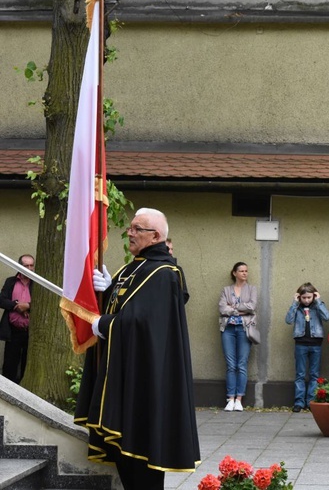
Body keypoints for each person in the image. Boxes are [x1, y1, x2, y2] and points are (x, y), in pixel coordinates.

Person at [75, 208, 198, 490]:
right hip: (122, 372)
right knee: (124, 458)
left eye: (136, 228)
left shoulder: (165, 273)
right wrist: (106, 293)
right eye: (130, 227)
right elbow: (126, 308)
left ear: (155, 236)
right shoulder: (133, 267)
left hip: (144, 377)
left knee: (141, 458)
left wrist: (102, 324)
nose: (129, 233)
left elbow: (143, 321)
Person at [218, 262, 258, 411]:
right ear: (234, 273)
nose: (244, 273)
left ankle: (239, 399)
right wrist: (239, 310)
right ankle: (230, 398)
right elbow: (222, 308)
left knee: (241, 364)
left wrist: (232, 307)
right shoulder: (226, 290)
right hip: (228, 329)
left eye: (246, 271)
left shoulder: (252, 289)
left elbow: (252, 306)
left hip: (244, 329)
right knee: (230, 364)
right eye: (241, 271)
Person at [285, 282, 329, 413]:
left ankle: (311, 401)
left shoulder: (317, 306)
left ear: (313, 296)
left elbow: (327, 317)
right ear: (299, 297)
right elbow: (288, 320)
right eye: (304, 298)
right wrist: (294, 303)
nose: (306, 300)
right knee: (300, 374)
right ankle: (299, 402)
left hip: (316, 344)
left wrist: (318, 301)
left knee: (314, 374)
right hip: (301, 344)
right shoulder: (297, 307)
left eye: (309, 297)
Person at [0, 254, 34, 384]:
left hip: (31, 333)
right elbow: (2, 300)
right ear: (20, 267)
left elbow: (43, 304)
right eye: (26, 265)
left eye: (32, 265)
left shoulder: (37, 284)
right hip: (13, 331)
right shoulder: (11, 282)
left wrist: (28, 306)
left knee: (27, 365)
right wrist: (17, 306)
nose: (30, 268)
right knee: (10, 365)